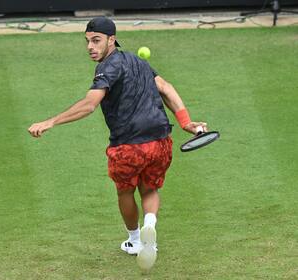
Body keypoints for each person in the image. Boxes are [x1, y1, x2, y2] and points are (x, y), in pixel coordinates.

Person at [28, 16, 208, 269]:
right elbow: (165, 88)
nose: (90, 46)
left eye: (96, 40)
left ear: (111, 40)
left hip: (128, 147)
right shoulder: (139, 61)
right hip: (159, 142)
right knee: (150, 189)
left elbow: (90, 105)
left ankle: (135, 240)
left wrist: (51, 122)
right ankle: (150, 229)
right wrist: (186, 122)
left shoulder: (106, 68)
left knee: (125, 191)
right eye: (87, 41)